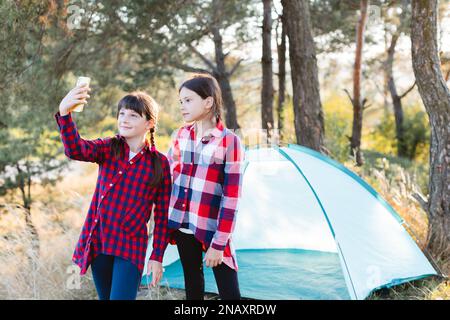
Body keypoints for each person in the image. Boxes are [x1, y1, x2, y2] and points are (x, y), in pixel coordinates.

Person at [55, 84, 171, 300]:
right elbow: (76, 149)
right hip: (100, 241)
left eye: (133, 115)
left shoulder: (159, 163)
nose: (124, 119)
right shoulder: (109, 147)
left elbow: (163, 216)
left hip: (131, 245)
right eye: (122, 114)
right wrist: (65, 113)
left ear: (149, 123)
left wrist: (157, 256)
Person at [166, 73, 245, 300]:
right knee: (192, 283)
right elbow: (169, 176)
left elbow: (231, 198)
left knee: (230, 293)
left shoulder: (230, 141)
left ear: (208, 102)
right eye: (181, 101)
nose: (182, 106)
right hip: (183, 225)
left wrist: (219, 244)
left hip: (212, 229)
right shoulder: (181, 135)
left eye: (188, 100)